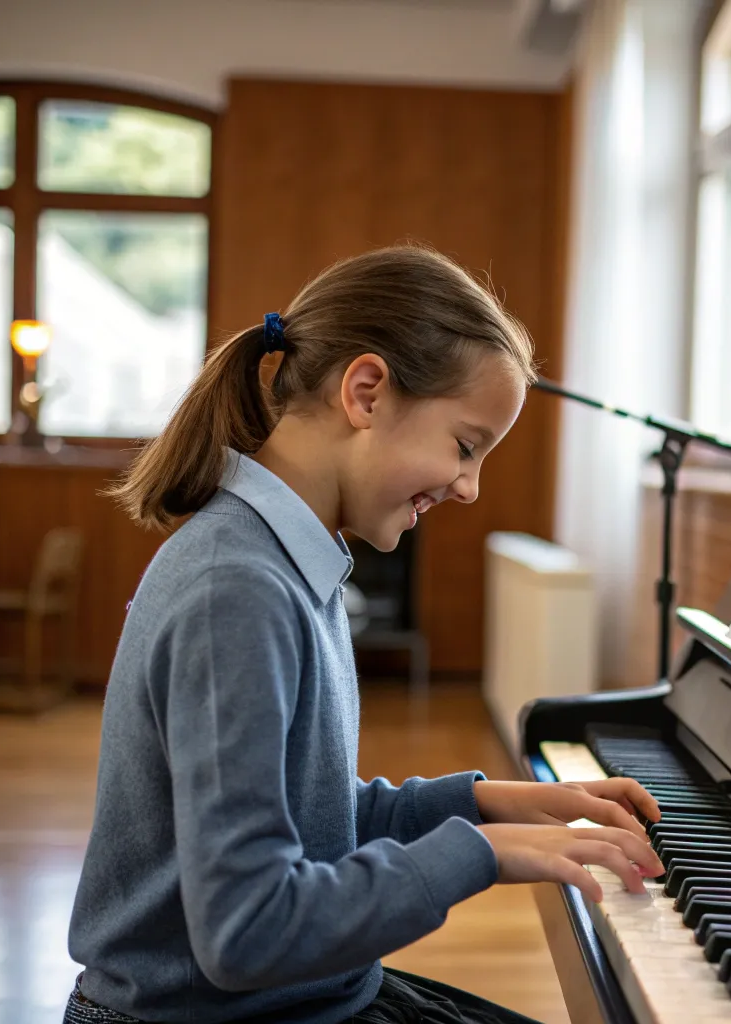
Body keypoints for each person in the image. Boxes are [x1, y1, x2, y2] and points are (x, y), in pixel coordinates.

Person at [64, 245, 664, 1024]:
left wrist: (494, 805)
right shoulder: (236, 589)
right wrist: (480, 857)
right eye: (465, 445)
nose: (470, 487)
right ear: (367, 391)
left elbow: (310, 819)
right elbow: (245, 932)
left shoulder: (282, 560)